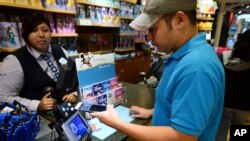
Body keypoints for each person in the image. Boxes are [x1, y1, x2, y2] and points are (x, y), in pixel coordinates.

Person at [91, 0, 225, 141]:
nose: (149, 37)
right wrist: (154, 112)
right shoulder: (183, 56)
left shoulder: (197, 67)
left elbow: (182, 137)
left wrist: (116, 123)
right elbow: (181, 102)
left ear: (179, 20)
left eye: (153, 29)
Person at [0, 13, 77, 112]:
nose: (41, 35)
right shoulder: (14, 61)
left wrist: (74, 93)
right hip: (37, 120)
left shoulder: (61, 51)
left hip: (67, 112)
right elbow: (3, 97)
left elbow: (75, 77)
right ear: (26, 35)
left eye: (45, 30)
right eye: (34, 30)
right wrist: (36, 105)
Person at [216, 29, 250, 141]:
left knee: (220, 134)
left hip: (225, 102)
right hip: (245, 106)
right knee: (240, 134)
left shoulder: (224, 58)